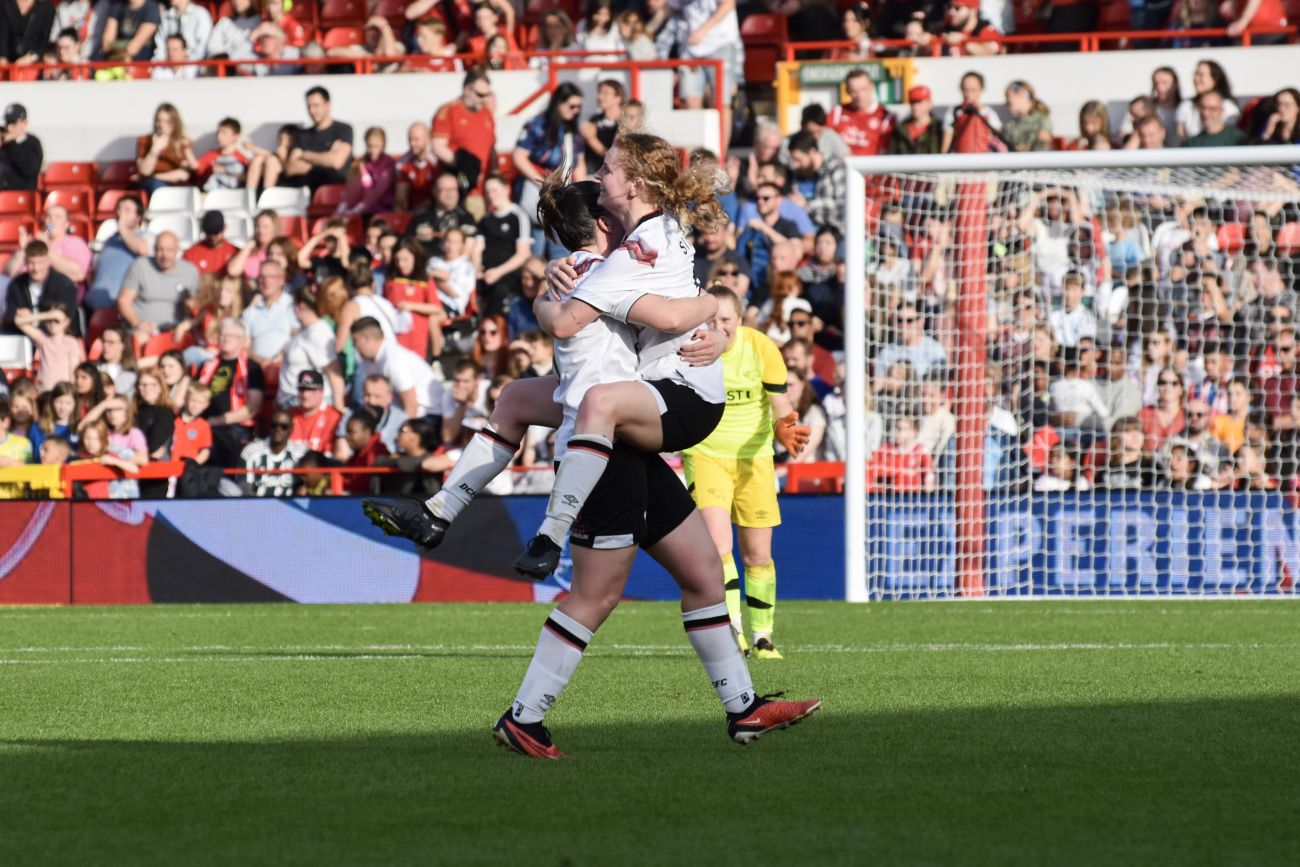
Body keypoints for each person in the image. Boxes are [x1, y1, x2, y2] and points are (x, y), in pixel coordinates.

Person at [364, 163, 817, 757]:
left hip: (617, 437)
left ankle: (744, 709)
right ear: (604, 224)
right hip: (602, 456)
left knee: (705, 575)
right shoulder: (605, 273)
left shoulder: (584, 271)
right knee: (595, 596)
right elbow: (653, 316)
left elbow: (540, 390)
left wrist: (545, 294)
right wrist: (707, 312)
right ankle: (524, 717)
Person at [682, 286, 809, 657]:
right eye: (710, 320)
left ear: (739, 320)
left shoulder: (761, 347)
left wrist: (785, 424)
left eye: (725, 320)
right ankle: (732, 631)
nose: (718, 327)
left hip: (754, 459)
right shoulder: (693, 348)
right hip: (706, 455)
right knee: (720, 546)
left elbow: (780, 399)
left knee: (757, 556)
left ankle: (763, 637)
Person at [513, 82, 586, 256]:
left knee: (562, 256)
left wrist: (580, 194)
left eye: (579, 107)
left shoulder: (574, 130)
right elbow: (519, 156)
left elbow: (579, 163)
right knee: (534, 257)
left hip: (563, 201)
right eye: (572, 106)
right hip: (538, 196)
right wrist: (544, 182)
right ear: (559, 103)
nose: (576, 110)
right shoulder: (538, 124)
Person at [200, 318, 265, 467]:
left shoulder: (252, 368)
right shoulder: (207, 365)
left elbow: (252, 409)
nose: (225, 338)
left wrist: (215, 421)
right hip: (203, 424)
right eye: (223, 334)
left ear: (243, 341)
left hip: (234, 427)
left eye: (231, 335)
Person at [350, 317, 443, 418]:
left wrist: (400, 432)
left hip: (428, 415)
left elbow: (411, 405)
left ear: (366, 339)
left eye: (355, 341)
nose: (354, 347)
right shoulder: (371, 359)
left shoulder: (393, 361)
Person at [118, 231, 200, 338]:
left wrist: (184, 324)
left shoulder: (190, 271)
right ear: (154, 249)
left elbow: (195, 305)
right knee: (140, 338)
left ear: (177, 249)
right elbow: (124, 300)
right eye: (160, 249)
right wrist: (137, 323)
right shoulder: (140, 266)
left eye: (169, 250)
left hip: (174, 329)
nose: (164, 254)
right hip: (143, 329)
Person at [431, 67, 496, 198]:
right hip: (459, 186)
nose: (484, 99)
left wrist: (494, 174)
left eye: (487, 95)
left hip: (484, 188)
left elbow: (491, 148)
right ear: (467, 90)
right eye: (480, 95)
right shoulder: (448, 111)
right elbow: (438, 146)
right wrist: (466, 166)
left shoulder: (486, 113)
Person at [474, 173, 533, 314]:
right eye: (487, 191)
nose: (490, 195)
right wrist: (477, 269)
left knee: (499, 293)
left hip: (508, 274)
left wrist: (498, 272)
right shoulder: (485, 220)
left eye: (494, 190)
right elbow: (477, 248)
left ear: (506, 190)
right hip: (486, 273)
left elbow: (523, 254)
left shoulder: (518, 216)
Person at [278, 86, 354, 193]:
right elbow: (290, 168)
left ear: (328, 105)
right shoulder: (302, 134)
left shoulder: (343, 129)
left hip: (331, 191)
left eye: (316, 105)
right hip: (302, 192)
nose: (312, 111)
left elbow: (336, 162)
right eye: (309, 106)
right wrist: (326, 157)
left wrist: (303, 155)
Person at [3, 240, 81, 336]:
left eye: (40, 263)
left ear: (48, 261)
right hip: (23, 337)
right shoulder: (17, 285)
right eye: (31, 263)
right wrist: (19, 316)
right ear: (26, 262)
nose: (36, 268)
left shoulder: (64, 285)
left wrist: (31, 318)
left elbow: (64, 318)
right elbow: (9, 317)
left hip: (57, 340)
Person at [786, 131, 847, 237]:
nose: (796, 165)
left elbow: (841, 208)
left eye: (799, 160)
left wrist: (807, 205)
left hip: (834, 235)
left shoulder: (836, 168)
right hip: (802, 233)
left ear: (812, 152)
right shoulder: (797, 174)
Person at [14, 304, 83, 392]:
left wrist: (71, 391)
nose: (52, 324)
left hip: (63, 391)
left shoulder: (71, 342)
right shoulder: (43, 339)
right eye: (49, 321)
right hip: (44, 390)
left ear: (67, 321)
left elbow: (73, 371)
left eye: (56, 321)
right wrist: (48, 315)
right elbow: (17, 321)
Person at [827, 68, 894, 157]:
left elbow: (886, 152)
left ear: (871, 87)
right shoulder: (836, 114)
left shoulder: (886, 117)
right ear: (847, 91)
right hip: (843, 168)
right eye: (854, 91)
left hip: (873, 169)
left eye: (863, 89)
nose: (859, 95)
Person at [241, 408, 304, 496]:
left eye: (284, 426)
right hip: (255, 506)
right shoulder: (250, 452)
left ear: (291, 429)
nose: (278, 429)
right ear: (268, 426)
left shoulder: (300, 454)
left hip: (289, 507)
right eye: (274, 425)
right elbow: (244, 488)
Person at [136, 102, 196, 194]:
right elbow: (145, 172)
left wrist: (157, 176)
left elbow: (184, 174)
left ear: (174, 123)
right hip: (153, 185)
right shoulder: (144, 140)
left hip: (174, 183)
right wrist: (154, 150)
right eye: (158, 120)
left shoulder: (182, 142)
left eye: (166, 121)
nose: (160, 125)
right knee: (158, 187)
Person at [338, 126, 396, 217]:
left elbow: (377, 192)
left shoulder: (388, 164)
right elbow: (352, 188)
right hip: (363, 210)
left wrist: (356, 210)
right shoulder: (361, 163)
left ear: (383, 145)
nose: (372, 150)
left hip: (382, 210)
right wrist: (342, 208)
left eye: (376, 146)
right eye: (369, 146)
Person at [288, 369, 342, 456]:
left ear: (322, 391)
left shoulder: (334, 417)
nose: (305, 395)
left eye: (310, 389)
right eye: (302, 389)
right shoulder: (288, 415)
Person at [393, 122, 436, 213]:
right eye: (410, 140)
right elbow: (401, 199)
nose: (412, 144)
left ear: (427, 139)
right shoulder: (403, 164)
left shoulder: (437, 162)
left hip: (435, 210)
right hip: (414, 213)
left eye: (416, 140)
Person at [888, 86, 942, 155]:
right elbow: (892, 154)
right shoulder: (900, 129)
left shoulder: (938, 129)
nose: (915, 106)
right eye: (912, 102)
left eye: (919, 102)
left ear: (929, 103)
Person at [1184, 91, 1249, 148]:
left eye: (1212, 109)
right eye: (1203, 108)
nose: (1206, 113)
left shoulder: (1238, 139)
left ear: (1221, 110)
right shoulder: (1192, 143)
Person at [0, 103, 41, 191]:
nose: (9, 127)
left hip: (22, 196)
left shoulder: (32, 143)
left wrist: (11, 143)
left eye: (13, 123)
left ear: (24, 123)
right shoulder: (3, 142)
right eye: (7, 123)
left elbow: (29, 169)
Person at [1003, 80, 1052, 152]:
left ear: (1022, 95)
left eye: (1009, 96)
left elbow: (1043, 146)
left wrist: (1017, 150)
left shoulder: (1042, 120)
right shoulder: (1010, 125)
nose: (1007, 102)